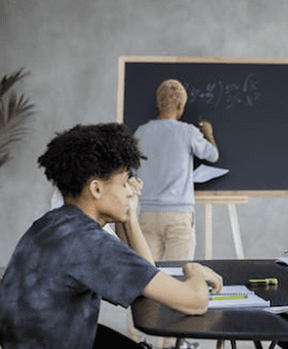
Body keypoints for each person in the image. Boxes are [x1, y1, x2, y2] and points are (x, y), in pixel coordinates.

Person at [0, 123, 223, 349]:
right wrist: (193, 271)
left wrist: (130, 218)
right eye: (124, 182)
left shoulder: (53, 224)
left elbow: (146, 276)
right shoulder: (87, 242)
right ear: (96, 189)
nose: (130, 191)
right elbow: (194, 301)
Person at [133, 79, 219, 346]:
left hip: (147, 214)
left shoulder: (141, 132)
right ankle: (176, 343)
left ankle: (145, 339)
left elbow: (132, 170)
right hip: (179, 215)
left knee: (147, 279)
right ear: (180, 105)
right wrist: (208, 133)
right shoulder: (186, 132)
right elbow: (213, 155)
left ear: (159, 102)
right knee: (183, 280)